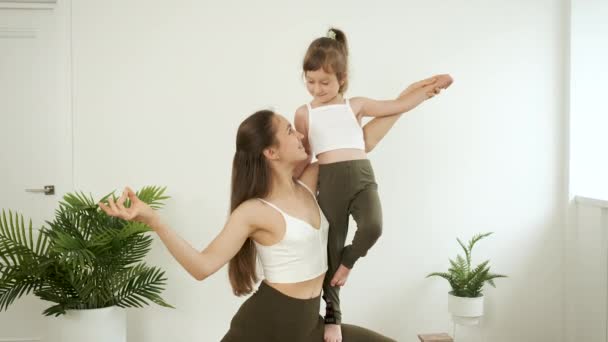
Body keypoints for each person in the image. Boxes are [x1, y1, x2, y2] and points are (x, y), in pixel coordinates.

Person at [98, 109, 416, 341]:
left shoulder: (311, 179)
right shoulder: (254, 212)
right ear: (270, 151)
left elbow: (359, 142)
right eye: (290, 130)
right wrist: (154, 220)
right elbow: (202, 266)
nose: (301, 134)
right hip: (266, 328)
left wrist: (404, 103)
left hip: (309, 327)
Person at [294, 27, 453, 342]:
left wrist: (430, 88)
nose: (316, 88)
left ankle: (348, 264)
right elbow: (303, 156)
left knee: (373, 227)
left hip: (363, 178)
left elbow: (398, 107)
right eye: (310, 81)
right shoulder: (304, 114)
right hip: (330, 184)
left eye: (324, 82)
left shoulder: (356, 105)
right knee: (330, 251)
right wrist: (292, 185)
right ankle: (333, 317)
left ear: (342, 78)